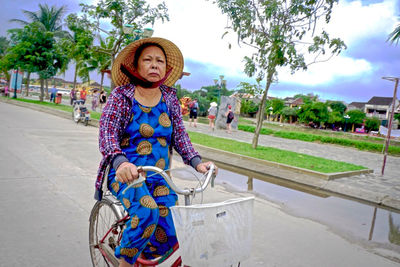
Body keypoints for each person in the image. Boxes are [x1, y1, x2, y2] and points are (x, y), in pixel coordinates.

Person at [95, 37, 217, 267]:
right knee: (146, 213)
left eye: (159, 61)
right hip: (126, 175)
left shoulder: (170, 97)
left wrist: (198, 162)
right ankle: (126, 263)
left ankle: (142, 258)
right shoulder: (121, 97)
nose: (154, 64)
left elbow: (180, 135)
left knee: (171, 230)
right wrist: (120, 163)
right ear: (136, 66)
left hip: (160, 176)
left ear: (166, 68)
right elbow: (107, 134)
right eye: (148, 60)